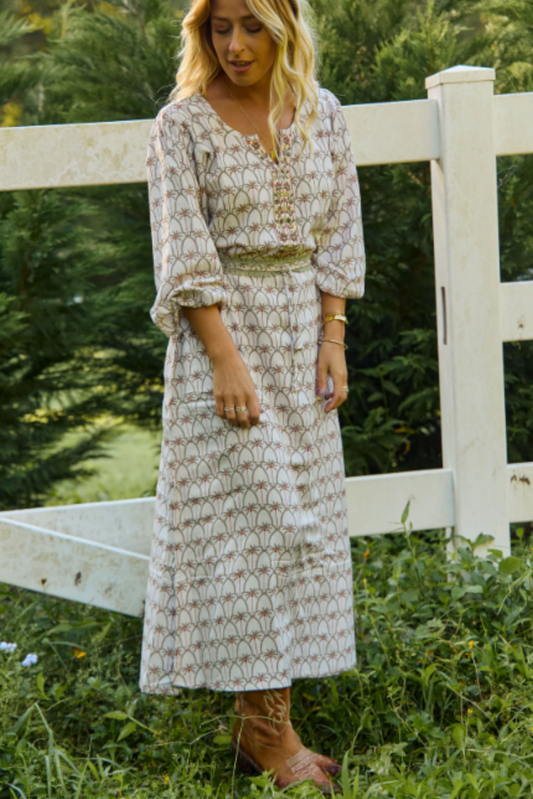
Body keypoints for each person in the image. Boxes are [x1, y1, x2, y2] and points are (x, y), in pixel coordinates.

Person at [139, 0, 366, 792]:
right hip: (222, 344)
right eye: (218, 27)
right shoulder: (182, 126)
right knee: (246, 530)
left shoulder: (322, 115)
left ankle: (257, 724)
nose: (234, 46)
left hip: (302, 337)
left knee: (298, 525)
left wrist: (332, 336)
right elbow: (182, 246)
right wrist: (224, 356)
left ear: (286, 25)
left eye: (251, 27)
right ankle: (271, 735)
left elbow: (338, 229)